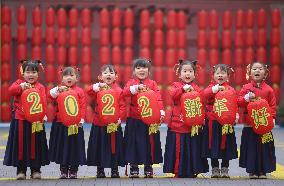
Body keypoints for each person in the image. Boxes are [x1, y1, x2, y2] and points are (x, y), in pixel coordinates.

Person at [4, 59, 49, 180]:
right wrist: (20, 87)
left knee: (36, 145)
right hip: (20, 120)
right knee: (21, 145)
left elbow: (44, 102)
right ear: (22, 73)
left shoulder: (40, 87)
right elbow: (10, 91)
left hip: (36, 121)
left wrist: (43, 115)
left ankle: (36, 169)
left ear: (38, 74)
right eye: (28, 72)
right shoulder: (19, 83)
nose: (31, 75)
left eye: (34, 72)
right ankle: (21, 170)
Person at [163, 59, 208, 178]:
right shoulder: (176, 86)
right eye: (185, 71)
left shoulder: (197, 88)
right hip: (178, 123)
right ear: (179, 73)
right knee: (179, 148)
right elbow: (173, 95)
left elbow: (202, 101)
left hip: (193, 124)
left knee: (193, 148)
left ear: (195, 74)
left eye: (190, 71)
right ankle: (178, 170)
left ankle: (193, 170)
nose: (187, 74)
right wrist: (183, 89)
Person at [122, 58, 164, 178]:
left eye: (144, 67)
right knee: (133, 144)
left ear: (149, 71)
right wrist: (135, 88)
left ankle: (148, 167)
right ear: (134, 71)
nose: (141, 70)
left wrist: (161, 113)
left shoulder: (153, 83)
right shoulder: (131, 83)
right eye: (138, 68)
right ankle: (134, 167)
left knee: (149, 144)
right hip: (134, 118)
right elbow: (124, 93)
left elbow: (158, 99)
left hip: (150, 120)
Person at [238, 62, 276, 179]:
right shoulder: (246, 88)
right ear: (250, 73)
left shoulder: (269, 89)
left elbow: (272, 105)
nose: (257, 71)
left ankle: (263, 171)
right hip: (250, 124)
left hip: (265, 124)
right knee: (251, 147)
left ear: (265, 73)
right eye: (254, 69)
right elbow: (238, 101)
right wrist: (246, 98)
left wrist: (273, 118)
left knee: (264, 148)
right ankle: (252, 170)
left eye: (260, 69)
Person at [86, 65, 126, 178]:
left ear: (116, 77)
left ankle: (114, 170)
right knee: (100, 146)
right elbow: (88, 91)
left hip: (114, 124)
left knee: (114, 147)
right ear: (100, 77)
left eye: (111, 73)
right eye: (105, 73)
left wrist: (119, 119)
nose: (108, 74)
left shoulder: (119, 90)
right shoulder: (98, 89)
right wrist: (98, 86)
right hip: (99, 124)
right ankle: (100, 170)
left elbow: (122, 107)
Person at [48, 66, 86, 179]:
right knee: (63, 147)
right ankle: (63, 169)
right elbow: (49, 96)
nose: (68, 77)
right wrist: (57, 90)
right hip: (61, 124)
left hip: (75, 125)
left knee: (74, 147)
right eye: (65, 75)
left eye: (71, 75)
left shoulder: (79, 91)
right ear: (62, 78)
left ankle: (74, 170)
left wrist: (81, 120)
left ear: (77, 78)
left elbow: (83, 107)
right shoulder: (59, 89)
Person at [201, 64, 238, 178]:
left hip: (226, 123)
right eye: (218, 73)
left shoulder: (231, 89)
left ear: (228, 76)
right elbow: (204, 95)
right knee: (213, 145)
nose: (220, 75)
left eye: (223, 73)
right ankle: (215, 168)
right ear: (213, 76)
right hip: (213, 122)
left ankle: (225, 168)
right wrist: (215, 89)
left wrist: (236, 115)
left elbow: (235, 104)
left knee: (226, 145)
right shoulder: (211, 88)